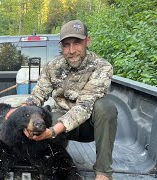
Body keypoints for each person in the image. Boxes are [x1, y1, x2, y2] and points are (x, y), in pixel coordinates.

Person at [21, 20, 118, 180]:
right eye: (66, 45)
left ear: (87, 41)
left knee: (106, 107)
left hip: (90, 126)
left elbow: (84, 106)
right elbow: (37, 95)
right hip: (60, 122)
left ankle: (103, 171)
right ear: (61, 46)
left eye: (77, 43)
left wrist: (52, 131)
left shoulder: (102, 67)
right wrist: (22, 111)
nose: (71, 50)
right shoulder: (53, 67)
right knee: (38, 118)